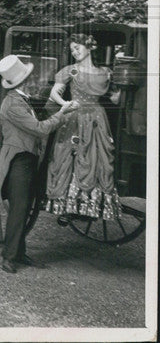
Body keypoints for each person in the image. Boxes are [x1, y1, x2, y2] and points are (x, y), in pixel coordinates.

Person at [0, 54, 79, 273]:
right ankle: (9, 257)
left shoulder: (21, 99)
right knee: (19, 208)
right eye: (29, 78)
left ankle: (19, 253)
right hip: (18, 160)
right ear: (24, 82)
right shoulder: (13, 104)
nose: (34, 81)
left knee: (24, 208)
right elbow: (40, 129)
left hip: (28, 158)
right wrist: (62, 113)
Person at [43, 33, 122, 222]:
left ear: (89, 47)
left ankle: (90, 206)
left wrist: (122, 90)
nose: (75, 52)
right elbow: (54, 93)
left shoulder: (105, 73)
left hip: (97, 119)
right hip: (75, 118)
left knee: (96, 158)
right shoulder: (72, 71)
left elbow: (115, 98)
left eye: (78, 47)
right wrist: (66, 103)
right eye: (72, 49)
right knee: (71, 155)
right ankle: (68, 206)